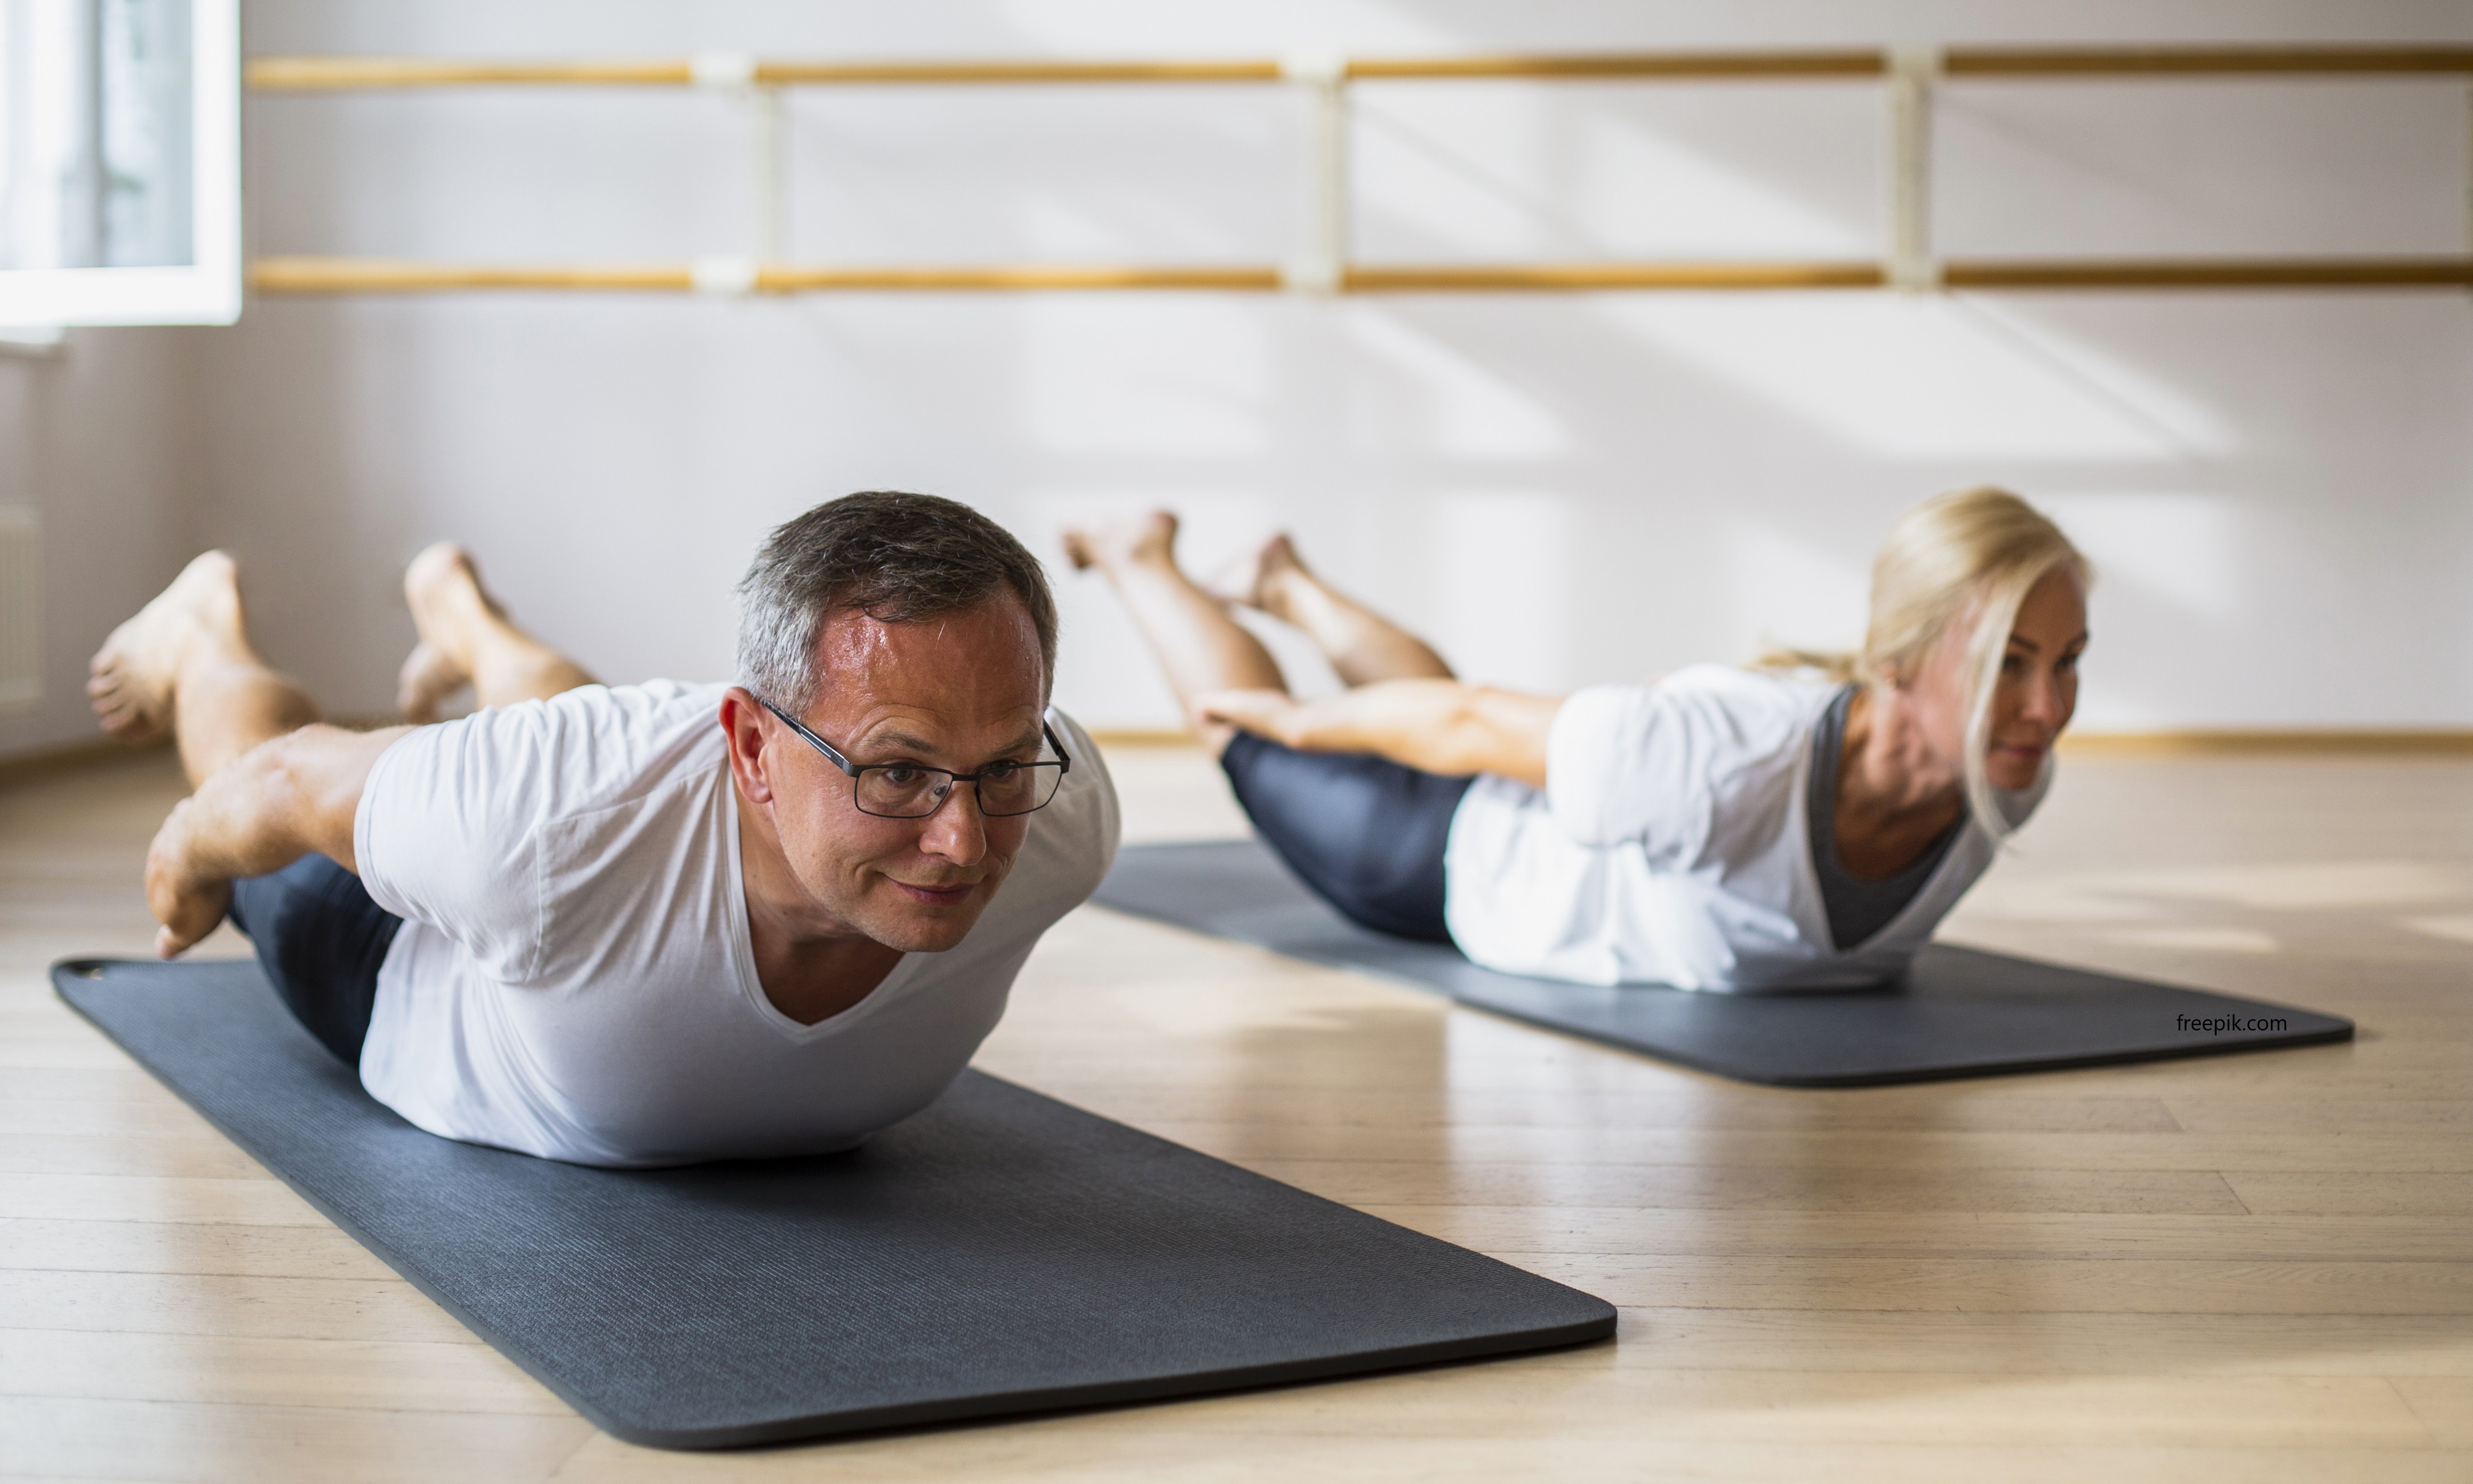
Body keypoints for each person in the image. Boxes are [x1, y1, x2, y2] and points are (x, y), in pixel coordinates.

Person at [87, 492, 1118, 1166]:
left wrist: (948, 773)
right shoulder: (526, 826)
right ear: (753, 750)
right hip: (406, 962)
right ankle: (201, 629)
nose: (964, 841)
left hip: (573, 811)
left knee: (562, 768)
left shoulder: (1064, 809)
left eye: (998, 769)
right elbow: (280, 777)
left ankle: (467, 624)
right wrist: (186, 855)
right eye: (898, 772)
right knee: (254, 755)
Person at [1064, 486, 2087, 992]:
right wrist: (1296, 723)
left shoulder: (2000, 773)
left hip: (1560, 795)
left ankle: (1288, 584)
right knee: (1247, 742)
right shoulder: (1731, 753)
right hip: (1452, 866)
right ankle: (1139, 555)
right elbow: (1464, 720)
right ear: (1898, 659)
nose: (2045, 708)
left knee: (1438, 711)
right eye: (2005, 662)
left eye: (2067, 661)